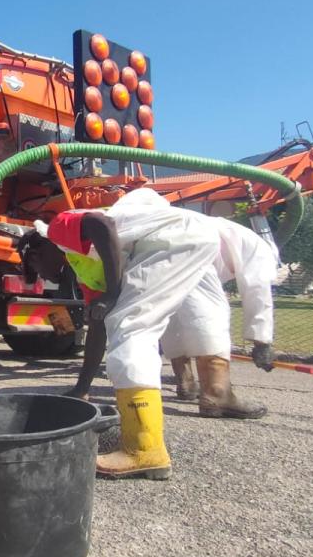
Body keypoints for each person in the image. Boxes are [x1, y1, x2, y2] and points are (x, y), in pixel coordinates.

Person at [19, 188, 221, 479]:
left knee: (131, 327)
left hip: (175, 238)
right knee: (124, 323)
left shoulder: (58, 228)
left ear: (36, 252)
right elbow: (98, 327)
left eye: (36, 269)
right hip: (189, 238)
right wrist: (82, 387)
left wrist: (113, 292)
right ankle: (144, 443)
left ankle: (144, 449)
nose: (44, 277)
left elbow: (103, 225)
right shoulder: (85, 265)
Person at [161, 214, 279, 419]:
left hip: (164, 246)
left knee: (175, 312)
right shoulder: (262, 252)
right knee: (209, 312)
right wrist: (262, 342)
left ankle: (186, 383)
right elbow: (258, 292)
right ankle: (216, 394)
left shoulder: (237, 236)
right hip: (193, 247)